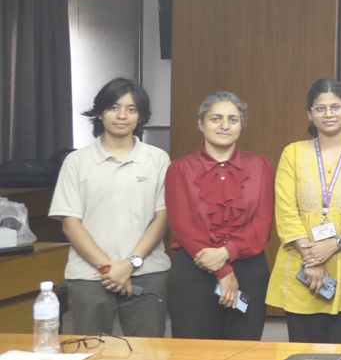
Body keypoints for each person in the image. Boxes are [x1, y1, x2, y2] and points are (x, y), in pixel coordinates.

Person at [50, 77, 171, 337]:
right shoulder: (76, 161)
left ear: (140, 116)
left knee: (148, 356)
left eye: (131, 109)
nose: (122, 116)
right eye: (113, 107)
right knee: (91, 354)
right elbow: (70, 223)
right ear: (100, 113)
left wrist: (129, 265)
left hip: (146, 273)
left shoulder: (158, 159)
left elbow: (162, 218)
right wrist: (109, 269)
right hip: (90, 276)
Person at [267, 79, 341, 343]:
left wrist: (333, 244)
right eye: (320, 108)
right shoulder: (293, 153)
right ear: (310, 114)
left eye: (335, 107)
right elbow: (285, 210)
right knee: (302, 358)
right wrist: (312, 259)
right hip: (302, 268)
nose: (328, 114)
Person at [166, 91, 273, 341]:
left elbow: (262, 222)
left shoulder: (260, 165)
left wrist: (227, 252)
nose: (225, 126)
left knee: (244, 353)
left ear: (241, 125)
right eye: (216, 119)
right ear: (201, 124)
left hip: (248, 270)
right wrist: (223, 271)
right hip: (195, 269)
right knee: (193, 354)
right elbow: (183, 226)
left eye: (233, 120)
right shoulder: (180, 168)